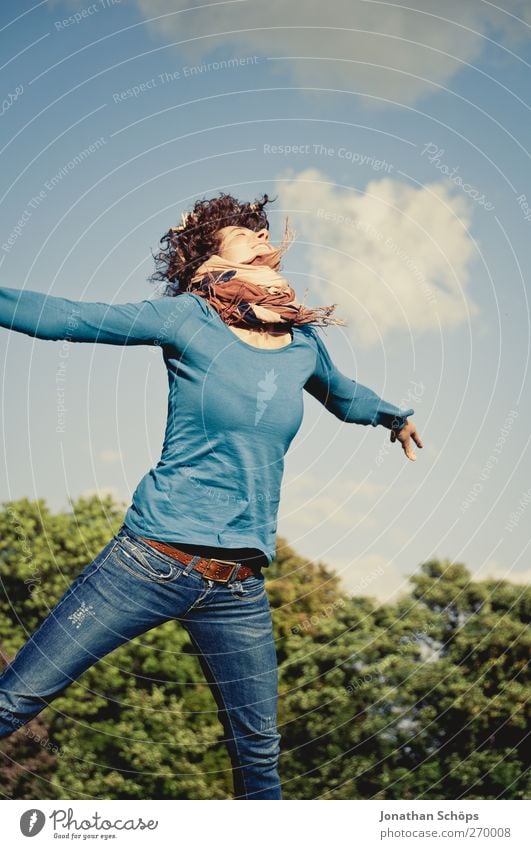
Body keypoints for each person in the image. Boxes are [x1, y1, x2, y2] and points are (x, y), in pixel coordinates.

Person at [0, 192, 423, 799]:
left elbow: (342, 392)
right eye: (240, 231)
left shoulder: (302, 343)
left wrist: (391, 415)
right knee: (15, 701)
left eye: (260, 230)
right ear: (207, 255)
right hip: (149, 560)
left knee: (259, 761)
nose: (258, 234)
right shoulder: (185, 319)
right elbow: (72, 316)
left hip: (239, 584)